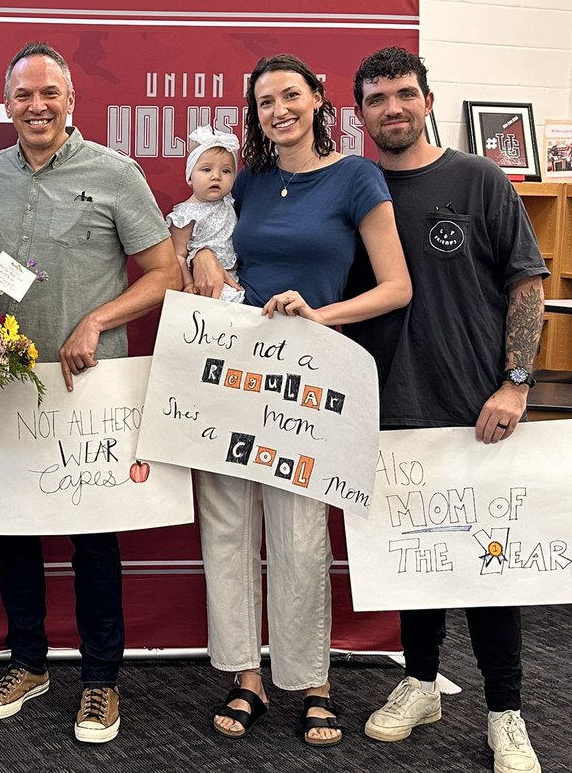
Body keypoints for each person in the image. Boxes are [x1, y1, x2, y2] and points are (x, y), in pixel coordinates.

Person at [191, 53, 411, 747]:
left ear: (318, 99)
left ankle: (312, 680)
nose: (278, 110)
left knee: (299, 533)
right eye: (264, 102)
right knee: (226, 525)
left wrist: (322, 314)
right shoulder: (246, 183)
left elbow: (396, 286)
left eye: (290, 95)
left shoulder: (355, 176)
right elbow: (210, 246)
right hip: (233, 374)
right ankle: (244, 676)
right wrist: (206, 260)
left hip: (310, 378)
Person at [0, 42, 180, 744]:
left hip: (90, 388)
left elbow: (163, 272)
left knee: (94, 540)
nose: (36, 107)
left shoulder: (115, 173)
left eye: (48, 94)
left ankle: (100, 682)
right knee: (15, 535)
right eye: (23, 96)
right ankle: (28, 664)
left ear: (71, 101)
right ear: (7, 106)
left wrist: (97, 318)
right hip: (7, 389)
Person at [348, 46, 546, 773]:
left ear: (429, 99)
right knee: (415, 563)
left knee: (491, 568)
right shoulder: (354, 187)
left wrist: (516, 382)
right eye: (376, 99)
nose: (392, 108)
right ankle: (420, 682)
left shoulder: (478, 178)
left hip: (475, 410)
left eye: (404, 93)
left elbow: (526, 284)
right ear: (359, 112)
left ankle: (507, 712)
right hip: (386, 408)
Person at [166, 124, 244, 303]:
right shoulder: (184, 215)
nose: (216, 176)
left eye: (226, 171)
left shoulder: (230, 203)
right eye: (206, 169)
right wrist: (187, 283)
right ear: (190, 176)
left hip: (234, 280)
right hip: (203, 287)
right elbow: (177, 255)